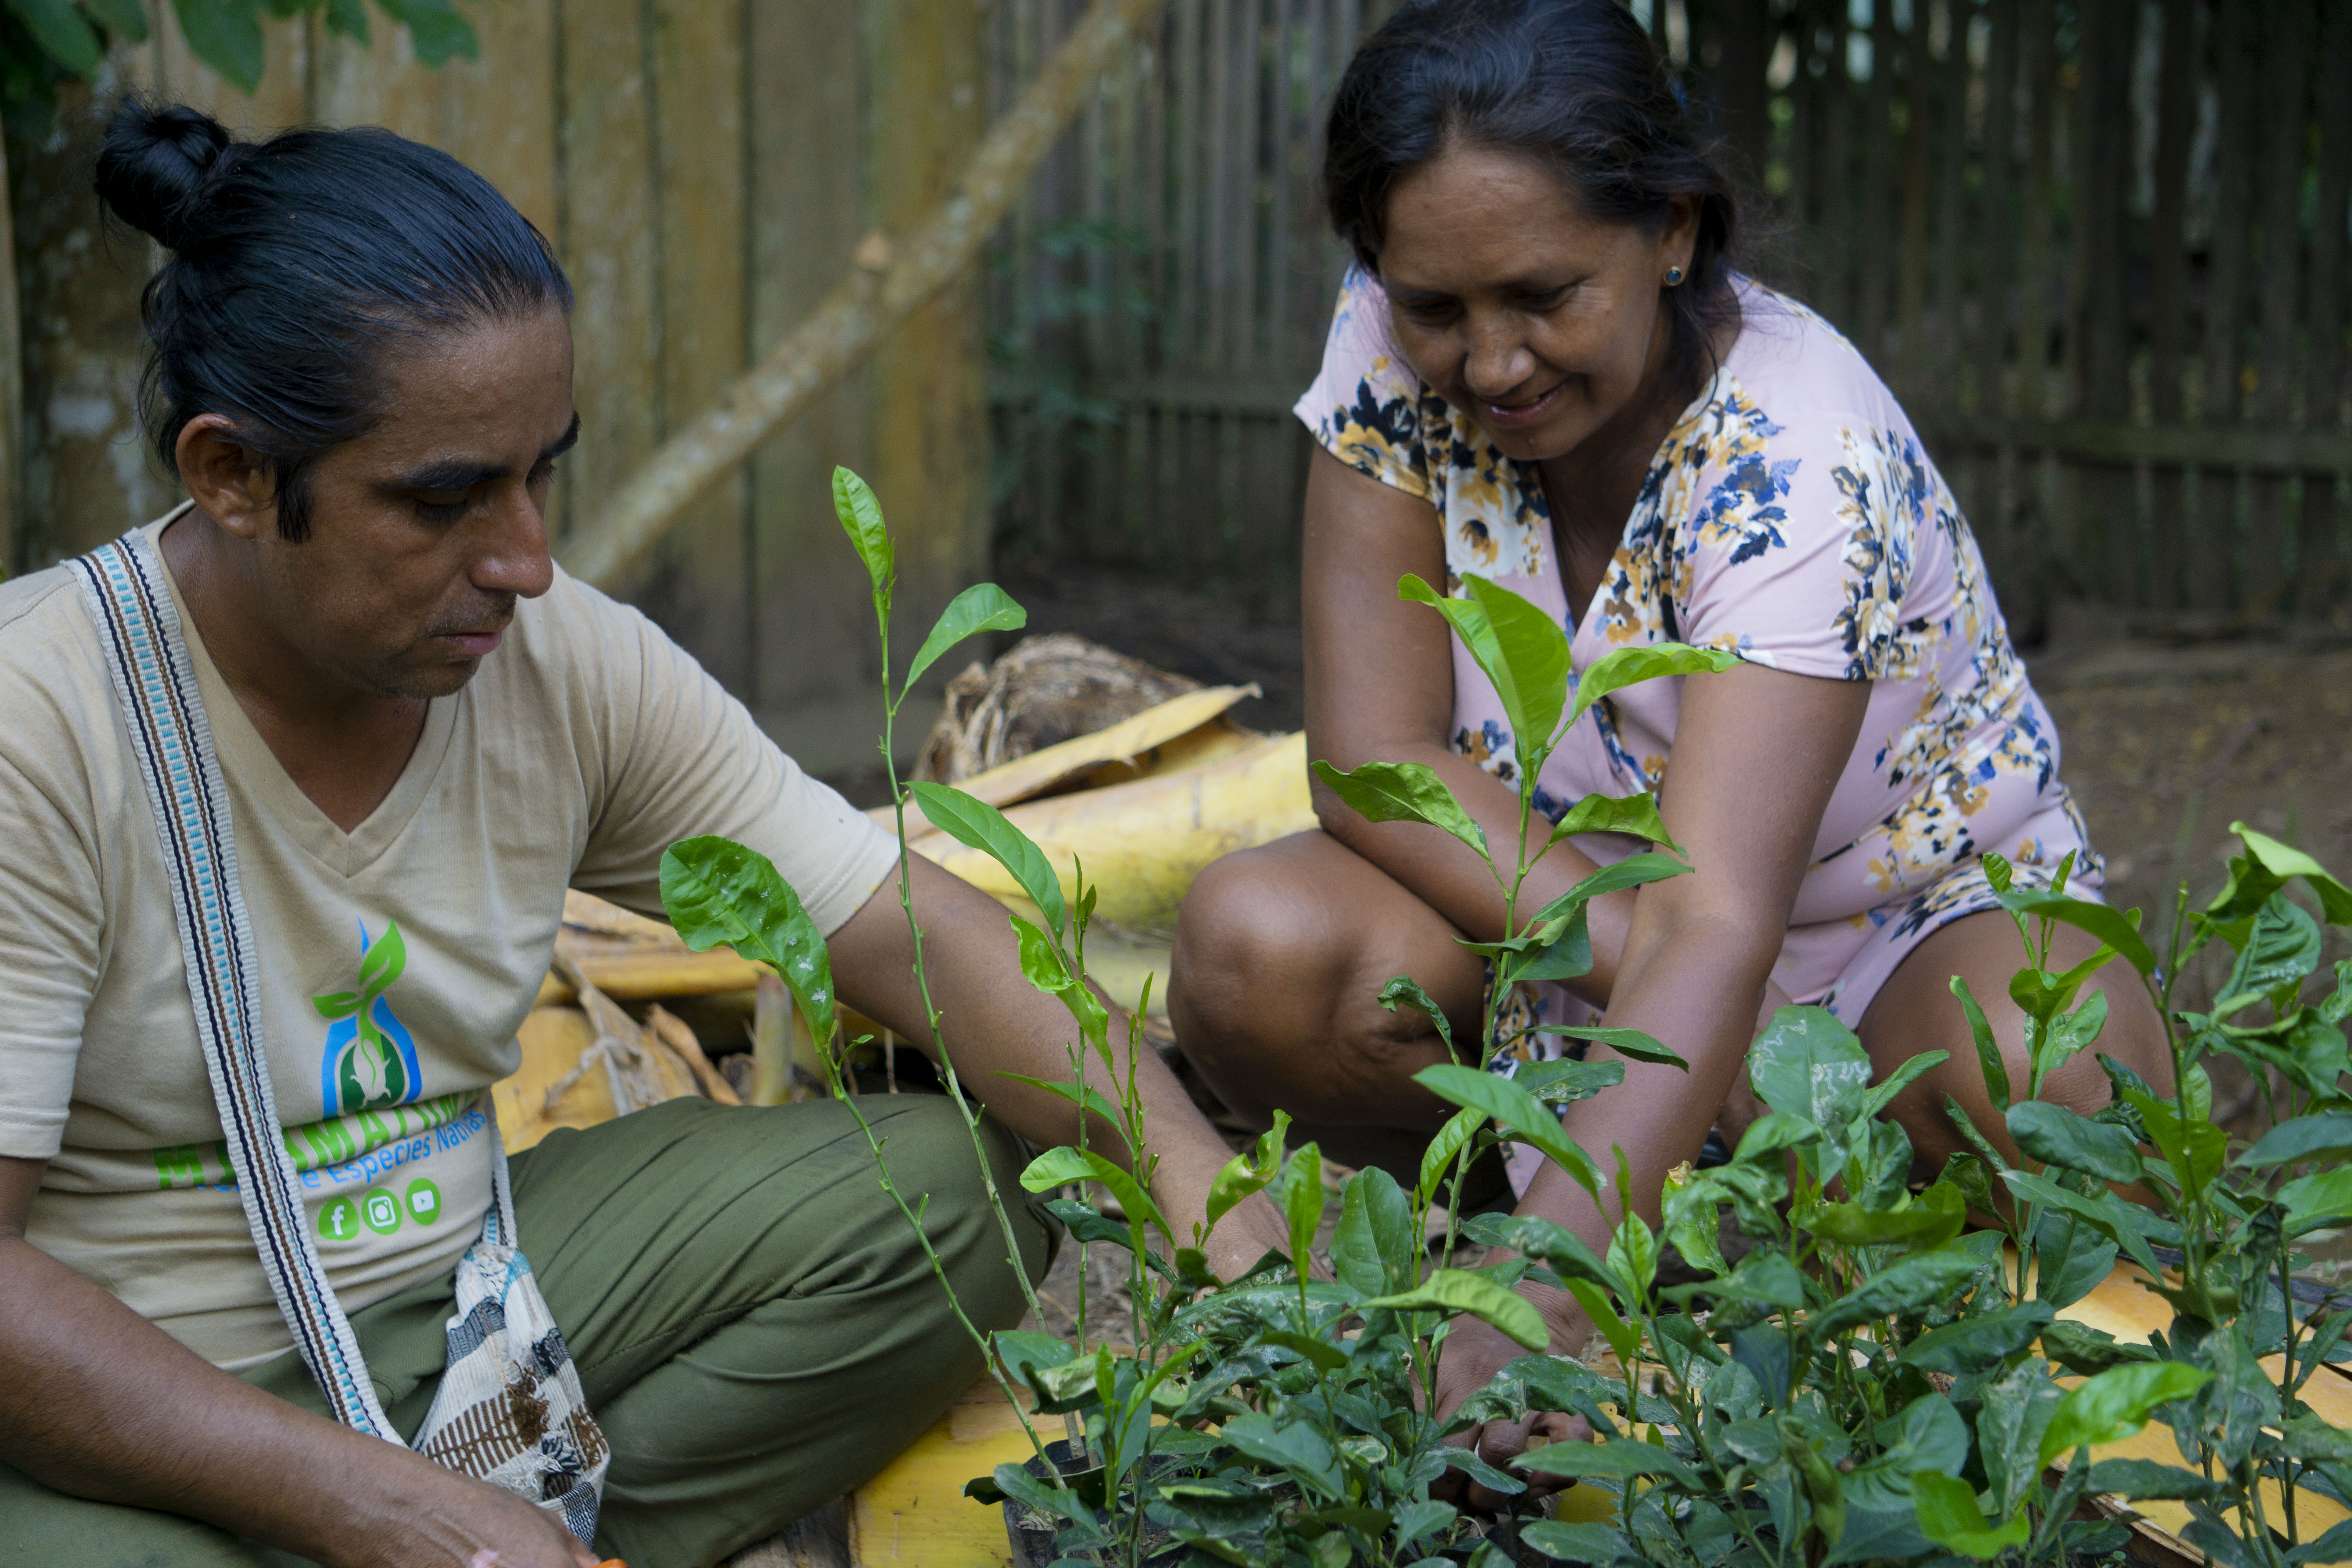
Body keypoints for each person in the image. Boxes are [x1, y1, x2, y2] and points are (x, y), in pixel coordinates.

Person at [0, 103, 1283, 1568]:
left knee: (946, 1202)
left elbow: (904, 925)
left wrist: (1217, 1215)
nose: (527, 559)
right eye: (445, 499)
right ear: (230, 476)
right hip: (148, 1385)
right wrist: (381, 1509)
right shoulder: (38, 717)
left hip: (480, 1302)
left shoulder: (558, 665)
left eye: (543, 471)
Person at [1168, 0, 2174, 1504]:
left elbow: (1733, 918)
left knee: (2050, 1072)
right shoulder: (1392, 342)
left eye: (1544, 295)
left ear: (1676, 232)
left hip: (1892, 940)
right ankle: (1547, 1228)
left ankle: (1645, 1248)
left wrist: (1541, 1298)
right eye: (1436, 304)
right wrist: (1643, 985)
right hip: (1583, 929)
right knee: (1260, 949)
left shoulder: (1793, 450)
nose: (1489, 361)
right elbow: (1375, 757)